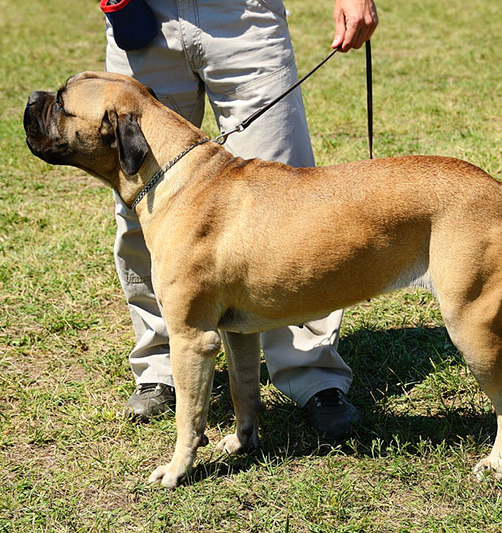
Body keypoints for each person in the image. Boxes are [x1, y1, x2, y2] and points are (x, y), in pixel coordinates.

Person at [102, 0, 378, 441]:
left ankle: (311, 371)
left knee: (290, 207)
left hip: (242, 14)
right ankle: (162, 366)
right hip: (140, 17)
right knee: (141, 202)